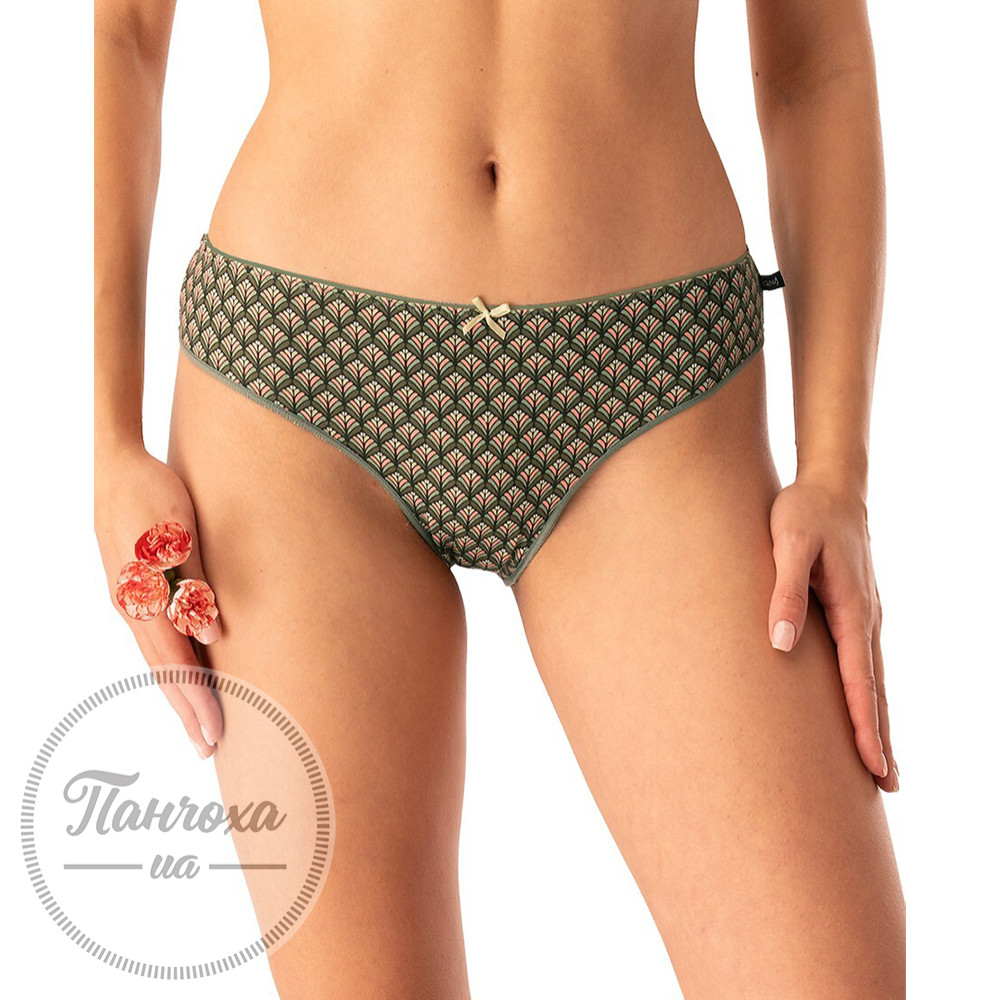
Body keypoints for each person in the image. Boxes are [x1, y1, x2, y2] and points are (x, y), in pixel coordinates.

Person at [94, 0, 905, 996]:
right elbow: (126, 32)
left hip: (655, 384)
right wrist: (110, 440)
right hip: (297, 387)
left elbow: (814, 61)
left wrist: (836, 472)